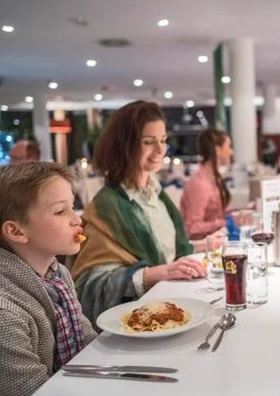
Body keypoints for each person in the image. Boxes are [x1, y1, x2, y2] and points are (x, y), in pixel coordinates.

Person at [72, 101, 206, 325]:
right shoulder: (106, 207)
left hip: (174, 306)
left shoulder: (156, 194)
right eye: (148, 142)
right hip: (139, 322)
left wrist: (200, 245)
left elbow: (166, 248)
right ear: (124, 146)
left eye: (163, 141)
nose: (160, 150)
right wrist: (153, 274)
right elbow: (88, 286)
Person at [0, 162, 97, 396]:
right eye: (60, 211)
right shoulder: (4, 312)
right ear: (16, 231)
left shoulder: (58, 274)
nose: (77, 219)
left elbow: (87, 342)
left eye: (73, 206)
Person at [181, 128, 232, 240]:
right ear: (217, 150)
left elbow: (213, 215)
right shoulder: (200, 184)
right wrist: (221, 223)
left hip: (215, 242)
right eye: (228, 147)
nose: (231, 152)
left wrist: (235, 215)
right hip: (202, 248)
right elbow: (191, 228)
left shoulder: (213, 178)